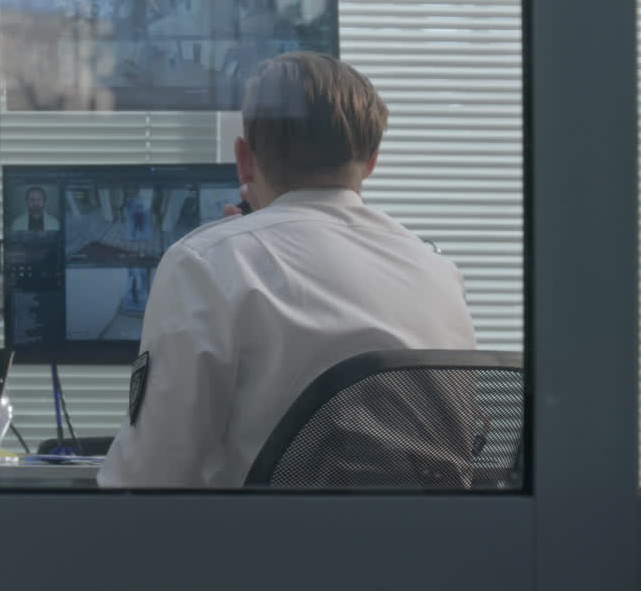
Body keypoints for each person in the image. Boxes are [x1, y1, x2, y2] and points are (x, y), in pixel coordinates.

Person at [99, 51, 477, 488]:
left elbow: (150, 476)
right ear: (372, 160)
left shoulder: (207, 262)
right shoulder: (438, 270)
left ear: (244, 158)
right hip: (433, 532)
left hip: (272, 534)